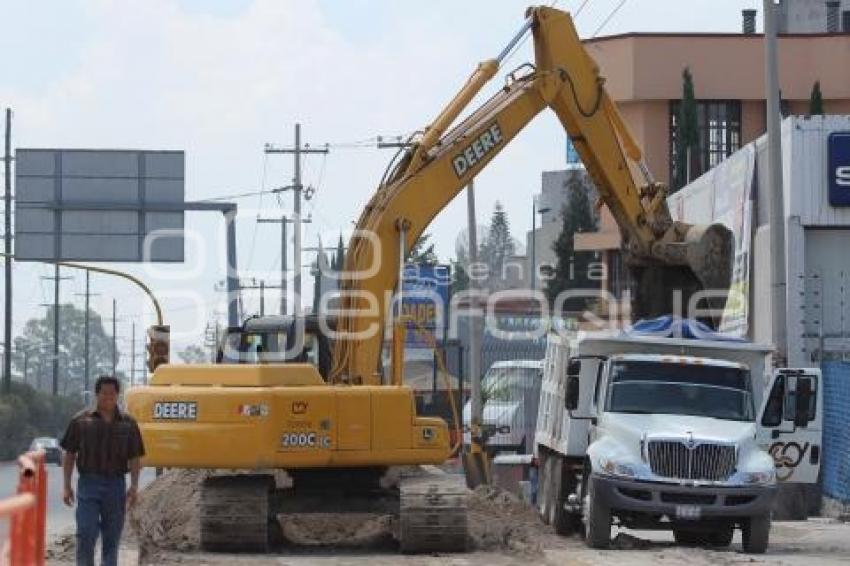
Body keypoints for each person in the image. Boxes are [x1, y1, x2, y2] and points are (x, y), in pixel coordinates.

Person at [60, 375, 145, 566]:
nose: (108, 397)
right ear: (97, 394)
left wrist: (134, 487)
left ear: (118, 395)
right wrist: (66, 486)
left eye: (112, 393)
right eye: (104, 393)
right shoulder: (81, 421)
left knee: (112, 537)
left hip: (115, 485)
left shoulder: (128, 423)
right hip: (88, 484)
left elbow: (135, 457)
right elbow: (69, 454)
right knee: (86, 531)